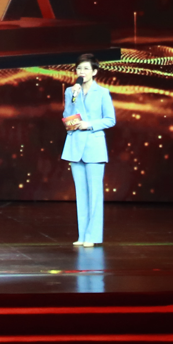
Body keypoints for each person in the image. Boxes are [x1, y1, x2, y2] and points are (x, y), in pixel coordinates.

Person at [61, 53, 114, 247]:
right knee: (81, 193)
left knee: (95, 194)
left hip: (94, 146)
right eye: (79, 69)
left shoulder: (102, 93)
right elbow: (67, 116)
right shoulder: (70, 91)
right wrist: (73, 98)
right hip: (75, 145)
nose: (81, 72)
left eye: (85, 69)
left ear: (94, 72)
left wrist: (89, 124)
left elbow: (110, 120)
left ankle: (93, 236)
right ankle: (82, 235)